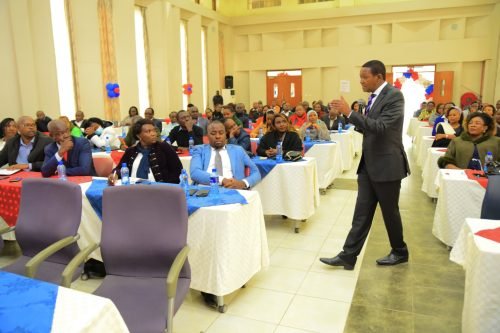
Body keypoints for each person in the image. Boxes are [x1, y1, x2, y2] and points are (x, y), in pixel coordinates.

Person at [321, 60, 410, 270]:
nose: (361, 81)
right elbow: (369, 129)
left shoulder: (394, 96)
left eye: (365, 77)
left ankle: (400, 251)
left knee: (390, 212)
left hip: (387, 165)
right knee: (361, 213)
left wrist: (350, 113)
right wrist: (346, 115)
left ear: (378, 77)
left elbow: (380, 127)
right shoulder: (373, 98)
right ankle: (348, 255)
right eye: (360, 77)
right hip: (369, 165)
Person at [190, 120, 261, 188]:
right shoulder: (199, 150)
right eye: (213, 133)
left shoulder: (238, 150)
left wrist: (243, 183)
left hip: (233, 190)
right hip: (205, 190)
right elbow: (195, 173)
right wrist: (221, 180)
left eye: (221, 133)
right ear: (207, 135)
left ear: (226, 134)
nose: (218, 136)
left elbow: (256, 172)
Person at [109, 119, 183, 183]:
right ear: (138, 136)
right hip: (133, 189)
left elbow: (177, 171)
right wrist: (114, 174)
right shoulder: (131, 151)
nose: (153, 134)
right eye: (148, 131)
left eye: (154, 130)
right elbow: (119, 168)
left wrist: (166, 187)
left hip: (159, 191)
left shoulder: (164, 148)